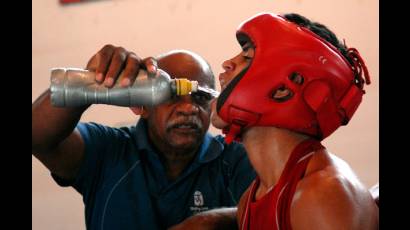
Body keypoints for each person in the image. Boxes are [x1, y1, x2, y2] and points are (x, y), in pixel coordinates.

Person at [32, 45, 256, 229]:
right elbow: (37, 137)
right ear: (143, 105)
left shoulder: (235, 158)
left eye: (199, 97)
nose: (189, 109)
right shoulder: (107, 150)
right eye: (172, 94)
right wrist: (89, 82)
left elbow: (272, 211)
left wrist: (213, 221)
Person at [211, 12, 379, 229]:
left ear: (284, 89)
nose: (227, 64)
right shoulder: (250, 200)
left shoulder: (322, 195)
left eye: (248, 57)